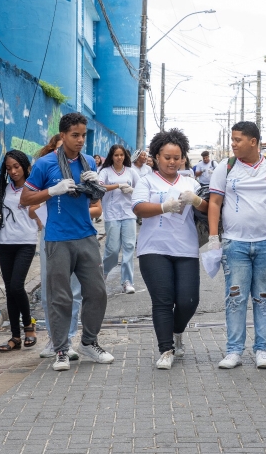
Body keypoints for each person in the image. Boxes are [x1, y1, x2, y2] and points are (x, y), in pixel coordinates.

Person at [21, 112, 114, 372]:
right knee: (59, 297)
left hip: (86, 235)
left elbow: (96, 201)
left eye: (83, 135)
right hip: (57, 238)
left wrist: (96, 186)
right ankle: (61, 349)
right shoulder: (45, 164)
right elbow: (25, 199)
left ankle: (89, 342)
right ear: (62, 136)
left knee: (97, 292)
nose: (80, 140)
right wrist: (52, 190)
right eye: (75, 135)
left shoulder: (88, 163)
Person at [208, 121, 266, 370]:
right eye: (232, 140)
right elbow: (214, 203)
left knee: (264, 298)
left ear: (253, 142)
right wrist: (214, 239)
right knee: (235, 298)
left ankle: (263, 350)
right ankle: (234, 351)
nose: (233, 144)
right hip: (235, 245)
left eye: (237, 140)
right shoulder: (226, 168)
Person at [133, 128, 208, 370]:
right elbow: (139, 208)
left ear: (183, 158)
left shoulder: (191, 183)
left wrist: (196, 200)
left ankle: (177, 330)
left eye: (177, 157)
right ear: (156, 157)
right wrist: (164, 206)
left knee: (188, 300)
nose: (172, 162)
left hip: (186, 248)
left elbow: (208, 209)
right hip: (153, 248)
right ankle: (166, 349)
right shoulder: (146, 181)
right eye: (167, 157)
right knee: (163, 300)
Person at [0, 150, 40, 352]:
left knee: (17, 285)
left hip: (26, 242)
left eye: (16, 167)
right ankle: (15, 336)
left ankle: (29, 325)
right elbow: (0, 215)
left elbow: (38, 214)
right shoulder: (4, 189)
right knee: (9, 290)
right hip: (5, 242)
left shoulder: (34, 188)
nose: (13, 171)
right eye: (9, 168)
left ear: (25, 167)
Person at [98, 144, 140, 294]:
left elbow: (141, 190)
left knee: (129, 247)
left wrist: (132, 190)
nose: (119, 157)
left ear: (125, 156)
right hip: (112, 214)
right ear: (111, 156)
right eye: (116, 155)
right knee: (113, 249)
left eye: (121, 155)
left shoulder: (131, 172)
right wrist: (117, 185)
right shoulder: (105, 172)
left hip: (129, 214)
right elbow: (99, 186)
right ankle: (104, 271)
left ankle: (127, 281)